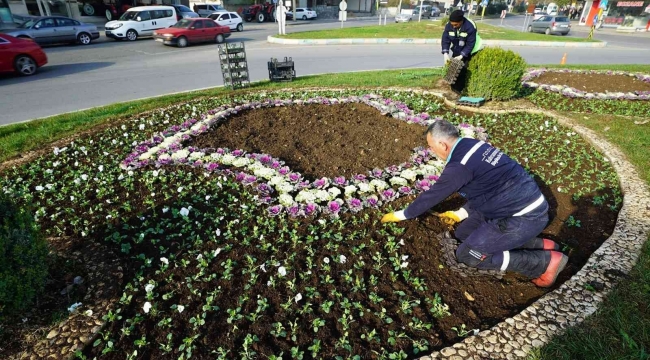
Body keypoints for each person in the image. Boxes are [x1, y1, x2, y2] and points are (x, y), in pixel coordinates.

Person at [381, 120, 569, 288]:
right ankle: (539, 244)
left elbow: (433, 195)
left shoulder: (459, 166)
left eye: (431, 147)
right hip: (516, 204)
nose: (432, 151)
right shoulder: (474, 145)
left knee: (469, 255)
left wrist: (403, 214)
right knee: (464, 233)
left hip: (522, 217)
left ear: (442, 144)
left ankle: (544, 262)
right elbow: (485, 187)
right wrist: (461, 213)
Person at [441, 10, 482, 94]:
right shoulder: (449, 25)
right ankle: (453, 88)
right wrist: (445, 53)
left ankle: (459, 91)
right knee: (453, 68)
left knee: (462, 70)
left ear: (461, 21)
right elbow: (445, 39)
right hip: (458, 48)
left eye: (456, 25)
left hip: (471, 50)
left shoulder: (470, 27)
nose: (454, 26)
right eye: (452, 24)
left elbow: (470, 44)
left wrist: (462, 55)